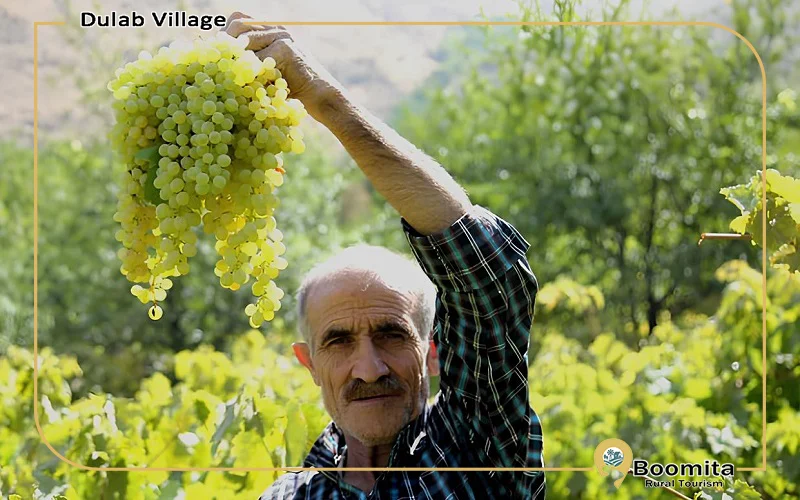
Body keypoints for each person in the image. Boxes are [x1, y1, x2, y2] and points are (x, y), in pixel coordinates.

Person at [222, 12, 546, 499]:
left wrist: (323, 100)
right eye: (338, 342)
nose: (369, 368)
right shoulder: (288, 497)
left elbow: (489, 275)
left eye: (392, 334)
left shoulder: (476, 449)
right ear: (308, 363)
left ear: (433, 348)